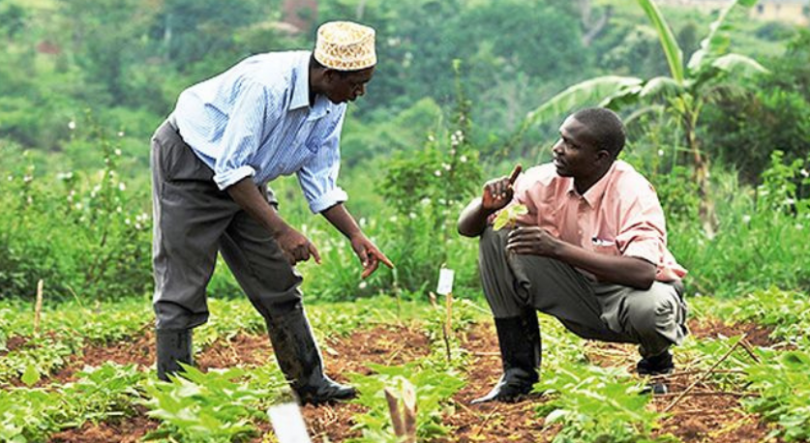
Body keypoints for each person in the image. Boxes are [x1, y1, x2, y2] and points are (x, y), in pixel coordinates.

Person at [150, 21, 393, 405]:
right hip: (191, 163)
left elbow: (320, 179)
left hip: (246, 178)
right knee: (183, 283)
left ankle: (311, 383)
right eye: (356, 83)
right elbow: (229, 169)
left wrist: (355, 235)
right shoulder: (267, 86)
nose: (360, 93)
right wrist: (281, 229)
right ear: (329, 74)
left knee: (277, 279)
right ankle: (174, 397)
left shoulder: (331, 103)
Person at [457, 107, 688, 403]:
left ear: (601, 157)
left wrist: (556, 248)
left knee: (651, 310)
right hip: (577, 291)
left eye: (571, 145)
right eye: (561, 138)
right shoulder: (544, 180)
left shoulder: (632, 191)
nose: (557, 148)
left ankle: (656, 362)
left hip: (626, 295)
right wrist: (485, 207)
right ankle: (518, 375)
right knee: (496, 235)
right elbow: (467, 228)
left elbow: (642, 273)